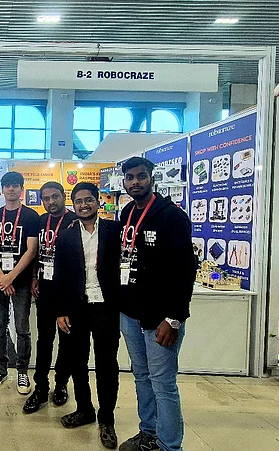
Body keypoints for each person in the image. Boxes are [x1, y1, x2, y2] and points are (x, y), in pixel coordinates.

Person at [117, 157, 196, 451]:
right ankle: (148, 433)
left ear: (152, 178)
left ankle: (169, 446)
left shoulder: (171, 216)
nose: (135, 182)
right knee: (141, 377)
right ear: (123, 181)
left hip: (161, 316)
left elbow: (185, 269)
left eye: (141, 176)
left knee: (163, 384)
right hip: (130, 312)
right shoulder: (126, 212)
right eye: (130, 177)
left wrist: (174, 318)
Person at [53, 182, 121, 449]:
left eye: (89, 199)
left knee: (107, 364)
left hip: (106, 306)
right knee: (76, 361)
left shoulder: (114, 231)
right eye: (78, 201)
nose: (84, 205)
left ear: (98, 202)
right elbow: (60, 276)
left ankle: (107, 419)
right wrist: (60, 311)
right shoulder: (67, 236)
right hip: (75, 307)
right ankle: (84, 409)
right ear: (73, 205)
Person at [0, 171, 40, 393]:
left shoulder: (30, 216)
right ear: (2, 189)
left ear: (21, 189)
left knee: (22, 328)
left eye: (15, 185)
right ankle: (0, 368)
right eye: (7, 185)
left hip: (21, 282)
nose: (11, 189)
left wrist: (11, 277)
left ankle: (22, 372)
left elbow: (32, 249)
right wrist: (1, 277)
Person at [23, 182, 76, 414]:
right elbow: (35, 251)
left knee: (67, 341)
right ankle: (40, 387)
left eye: (55, 197)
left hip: (67, 289)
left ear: (63, 196)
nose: (51, 202)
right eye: (46, 198)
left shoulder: (74, 220)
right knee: (44, 340)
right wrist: (34, 276)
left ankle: (61, 383)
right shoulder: (40, 221)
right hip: (44, 286)